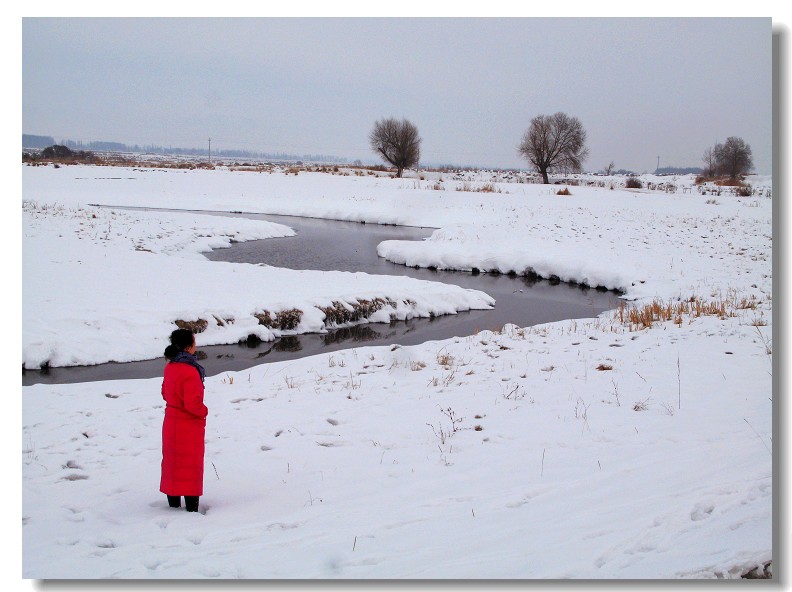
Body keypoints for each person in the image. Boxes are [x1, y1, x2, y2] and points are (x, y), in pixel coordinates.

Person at [160, 328, 208, 512]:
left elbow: (165, 393)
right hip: (188, 425)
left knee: (172, 464)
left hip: (171, 421)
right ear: (188, 347)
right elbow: (192, 404)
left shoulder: (170, 367)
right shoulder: (191, 371)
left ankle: (173, 506)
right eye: (194, 342)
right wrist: (204, 411)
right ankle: (191, 509)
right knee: (190, 465)